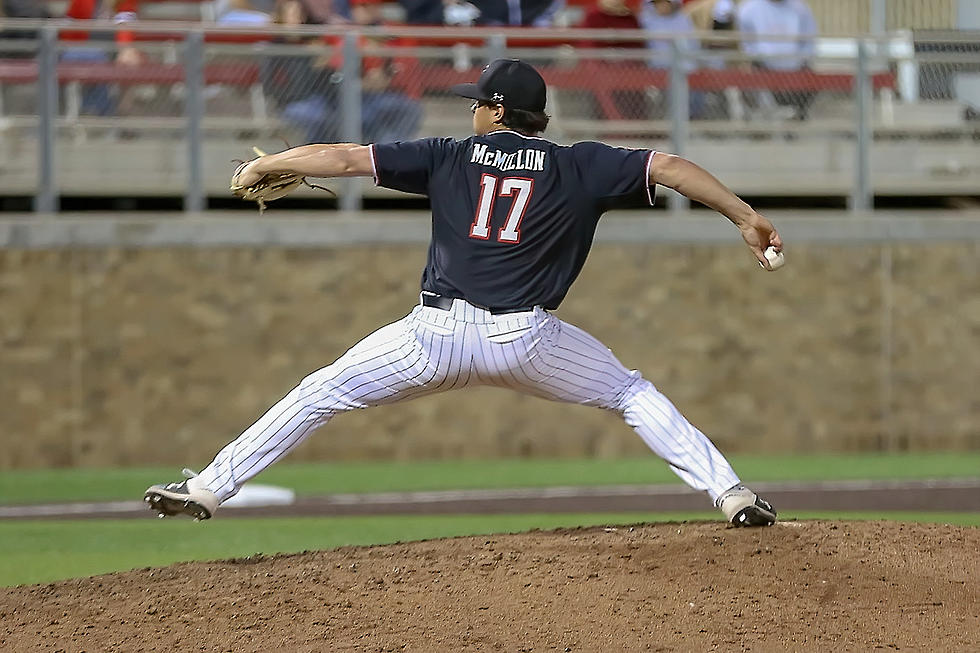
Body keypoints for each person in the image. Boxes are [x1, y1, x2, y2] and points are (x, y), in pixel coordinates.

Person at [145, 58, 781, 529]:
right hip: (525, 341)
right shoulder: (577, 165)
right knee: (630, 393)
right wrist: (742, 214)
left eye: (479, 101)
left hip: (434, 338)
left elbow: (342, 159)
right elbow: (666, 168)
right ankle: (732, 497)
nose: (471, 109)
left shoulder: (448, 155)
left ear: (498, 111)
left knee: (322, 391)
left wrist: (269, 164)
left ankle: (206, 488)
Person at [736, 0, 818, 120]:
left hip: (795, 69)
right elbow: (746, 45)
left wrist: (799, 62)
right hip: (763, 68)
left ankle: (794, 118)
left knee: (812, 81)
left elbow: (809, 41)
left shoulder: (800, 8)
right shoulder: (748, 9)